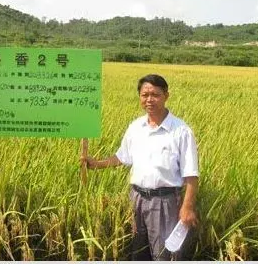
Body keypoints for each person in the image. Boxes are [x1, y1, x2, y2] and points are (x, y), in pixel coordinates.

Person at [82, 74, 199, 261]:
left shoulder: (181, 131)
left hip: (164, 202)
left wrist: (187, 208)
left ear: (166, 95)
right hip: (136, 199)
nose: (149, 99)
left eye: (155, 94)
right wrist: (96, 164)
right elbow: (121, 157)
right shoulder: (136, 127)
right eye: (145, 95)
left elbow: (191, 175)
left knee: (164, 254)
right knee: (137, 252)